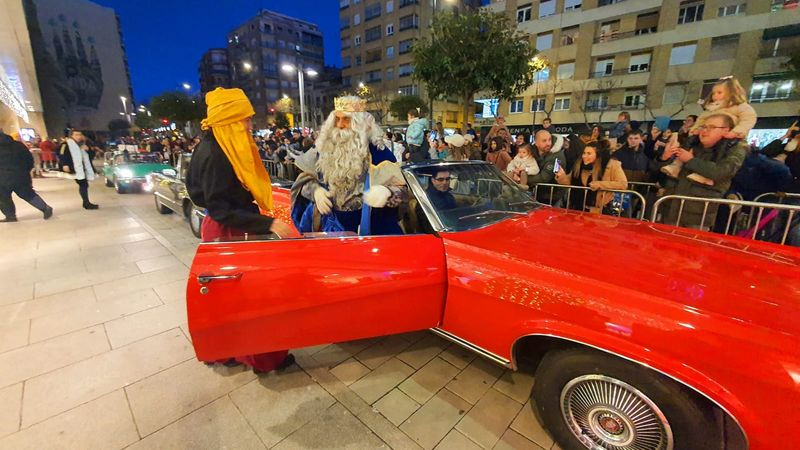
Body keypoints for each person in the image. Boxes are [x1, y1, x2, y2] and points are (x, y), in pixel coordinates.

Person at [186, 87, 295, 374]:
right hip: (230, 230)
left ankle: (225, 351)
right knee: (251, 300)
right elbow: (221, 208)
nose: (249, 126)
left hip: (226, 228)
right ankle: (262, 358)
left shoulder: (211, 145)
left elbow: (198, 193)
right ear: (228, 122)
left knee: (229, 301)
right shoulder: (217, 153)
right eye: (244, 120)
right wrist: (268, 224)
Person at [291, 96, 407, 235]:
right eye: (337, 119)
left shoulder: (378, 152)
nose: (340, 125)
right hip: (331, 227)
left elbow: (403, 190)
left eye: (346, 119)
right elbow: (304, 179)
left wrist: (388, 192)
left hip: (372, 228)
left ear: (360, 124)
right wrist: (315, 191)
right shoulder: (322, 149)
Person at [653, 113, 748, 229]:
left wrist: (691, 160)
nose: (705, 131)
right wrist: (664, 158)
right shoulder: (690, 144)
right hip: (670, 209)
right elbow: (658, 171)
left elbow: (721, 172)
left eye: (712, 127)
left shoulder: (734, 150)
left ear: (726, 130)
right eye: (703, 126)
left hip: (698, 216)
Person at [662, 77, 757, 185]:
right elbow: (701, 119)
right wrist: (695, 129)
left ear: (732, 92)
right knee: (689, 143)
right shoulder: (711, 108)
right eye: (713, 93)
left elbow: (749, 119)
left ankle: (705, 176)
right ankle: (676, 165)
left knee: (718, 154)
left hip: (728, 138)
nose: (715, 96)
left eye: (719, 92)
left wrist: (735, 132)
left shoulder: (741, 107)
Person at [555, 139, 627, 213]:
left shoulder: (611, 164)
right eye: (584, 153)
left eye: (589, 153)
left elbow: (623, 184)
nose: (584, 156)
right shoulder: (578, 164)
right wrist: (561, 176)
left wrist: (599, 184)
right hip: (577, 207)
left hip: (599, 209)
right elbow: (569, 182)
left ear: (597, 154)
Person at [0, 130, 53, 222]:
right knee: (27, 194)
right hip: (20, 175)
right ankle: (45, 208)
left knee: (3, 197)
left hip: (2, 178)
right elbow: (29, 159)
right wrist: (25, 171)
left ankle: (10, 216)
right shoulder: (18, 145)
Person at [58, 129, 99, 209]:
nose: (78, 136)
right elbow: (61, 154)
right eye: (76, 135)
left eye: (80, 135)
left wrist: (88, 149)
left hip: (84, 168)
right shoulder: (66, 144)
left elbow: (91, 156)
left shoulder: (83, 144)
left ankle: (86, 202)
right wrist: (64, 164)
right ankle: (86, 203)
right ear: (72, 135)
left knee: (84, 184)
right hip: (74, 167)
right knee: (83, 184)